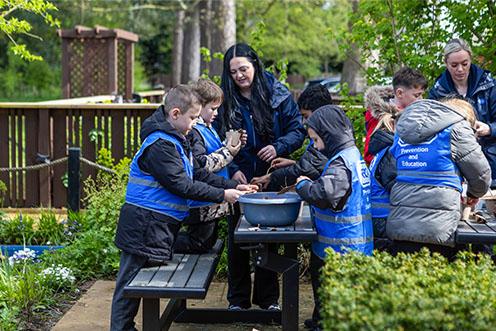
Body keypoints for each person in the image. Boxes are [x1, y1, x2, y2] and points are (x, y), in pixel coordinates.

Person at [110, 85, 255, 331]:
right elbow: (183, 185)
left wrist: (233, 187)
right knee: (129, 287)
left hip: (156, 224)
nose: (194, 124)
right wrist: (223, 194)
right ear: (175, 114)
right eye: (192, 118)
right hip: (144, 224)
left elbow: (197, 174)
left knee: (133, 284)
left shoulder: (176, 139)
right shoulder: (161, 145)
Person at [215, 43, 306, 311]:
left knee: (270, 237)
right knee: (236, 239)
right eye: (233, 72)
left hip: (271, 175)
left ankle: (268, 300)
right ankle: (237, 300)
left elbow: (297, 130)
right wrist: (232, 170)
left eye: (243, 69)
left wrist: (279, 146)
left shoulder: (278, 93)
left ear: (255, 64)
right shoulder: (225, 99)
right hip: (239, 175)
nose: (239, 76)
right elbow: (218, 140)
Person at [294, 105, 373, 331]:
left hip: (340, 247)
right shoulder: (351, 155)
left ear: (329, 134)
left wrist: (303, 185)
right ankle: (321, 320)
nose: (316, 146)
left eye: (316, 140)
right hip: (351, 244)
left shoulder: (340, 163)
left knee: (331, 291)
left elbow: (324, 195)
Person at [387, 99, 491, 258]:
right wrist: (473, 194)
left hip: (400, 223)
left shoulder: (403, 132)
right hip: (439, 227)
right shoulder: (457, 128)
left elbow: (392, 172)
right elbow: (481, 174)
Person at [174, 78, 246, 254]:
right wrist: (229, 152)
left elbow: (213, 151)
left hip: (211, 196)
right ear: (198, 106)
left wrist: (231, 145)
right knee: (199, 242)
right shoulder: (196, 131)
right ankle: (155, 243)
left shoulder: (208, 127)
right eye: (212, 109)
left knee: (206, 241)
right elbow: (201, 165)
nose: (216, 113)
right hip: (201, 200)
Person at [429, 38, 496, 190]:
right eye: (454, 65)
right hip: (453, 169)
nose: (460, 69)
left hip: (491, 166)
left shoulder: (490, 85)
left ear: (470, 60)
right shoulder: (437, 93)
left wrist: (489, 129)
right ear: (446, 63)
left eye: (464, 64)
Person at [364, 67, 427, 164]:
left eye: (422, 95)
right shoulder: (380, 117)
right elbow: (369, 155)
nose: (421, 99)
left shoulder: (419, 113)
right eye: (417, 95)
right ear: (399, 93)